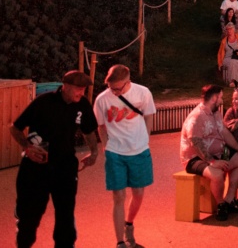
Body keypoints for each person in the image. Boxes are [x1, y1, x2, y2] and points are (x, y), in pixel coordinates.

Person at [10, 70, 100, 248]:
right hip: (36, 168)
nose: (81, 93)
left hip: (65, 167)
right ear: (65, 87)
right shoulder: (43, 102)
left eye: (83, 89)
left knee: (65, 217)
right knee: (30, 217)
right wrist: (27, 147)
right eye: (78, 89)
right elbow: (15, 128)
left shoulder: (82, 105)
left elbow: (88, 130)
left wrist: (94, 152)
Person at [94, 65, 156, 248]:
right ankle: (120, 241)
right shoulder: (102, 99)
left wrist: (146, 138)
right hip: (116, 152)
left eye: (118, 88)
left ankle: (129, 223)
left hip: (139, 150)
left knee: (138, 193)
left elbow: (149, 116)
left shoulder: (143, 93)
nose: (114, 92)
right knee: (118, 196)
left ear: (128, 82)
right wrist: (106, 145)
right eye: (111, 88)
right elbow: (101, 126)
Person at [180, 84, 238, 220]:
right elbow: (196, 143)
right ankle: (220, 205)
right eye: (220, 97)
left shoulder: (215, 113)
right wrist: (212, 161)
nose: (222, 100)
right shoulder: (196, 117)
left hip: (218, 152)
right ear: (213, 98)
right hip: (196, 158)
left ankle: (229, 199)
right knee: (217, 174)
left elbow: (224, 132)